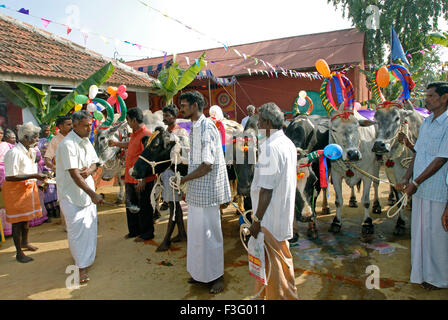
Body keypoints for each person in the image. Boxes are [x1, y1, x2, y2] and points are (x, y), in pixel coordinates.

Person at [396, 82, 448, 290]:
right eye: (426, 96)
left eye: (430, 96)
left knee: (437, 236)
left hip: (438, 190)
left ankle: (440, 279)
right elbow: (418, 153)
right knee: (420, 234)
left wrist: (415, 182)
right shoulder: (427, 123)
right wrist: (407, 178)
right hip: (419, 190)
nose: (426, 99)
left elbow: (441, 159)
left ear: (444, 98)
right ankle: (423, 275)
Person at [179, 91, 231, 294]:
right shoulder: (195, 126)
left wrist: (184, 179)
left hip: (207, 191)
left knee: (210, 235)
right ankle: (200, 274)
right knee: (197, 235)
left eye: (184, 105)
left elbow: (207, 164)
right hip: (197, 192)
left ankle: (217, 276)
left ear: (194, 106)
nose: (181, 109)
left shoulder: (206, 127)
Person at [248, 102, 298, 300]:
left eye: (259, 122)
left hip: (269, 220)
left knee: (275, 270)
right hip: (280, 215)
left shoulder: (270, 148)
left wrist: (256, 221)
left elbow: (266, 191)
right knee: (273, 265)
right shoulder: (287, 143)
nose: (258, 125)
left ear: (267, 123)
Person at [56, 111, 103, 283]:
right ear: (74, 126)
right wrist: (93, 195)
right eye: (85, 125)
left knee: (89, 228)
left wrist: (90, 170)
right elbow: (75, 175)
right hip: (72, 195)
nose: (89, 128)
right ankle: (81, 267)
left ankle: (87, 257)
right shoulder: (67, 144)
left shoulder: (85, 141)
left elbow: (94, 163)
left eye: (90, 125)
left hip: (87, 193)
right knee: (77, 232)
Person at [108, 107, 157, 242]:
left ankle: (147, 234)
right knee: (131, 206)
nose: (128, 123)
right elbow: (129, 145)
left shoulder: (146, 135)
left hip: (141, 180)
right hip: (130, 178)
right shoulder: (135, 134)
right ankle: (134, 231)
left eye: (128, 120)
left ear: (134, 120)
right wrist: (116, 143)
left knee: (144, 208)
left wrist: (143, 179)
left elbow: (150, 159)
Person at [3, 122, 48, 263]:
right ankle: (19, 253)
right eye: (35, 136)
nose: (37, 139)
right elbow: (10, 176)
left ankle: (25, 242)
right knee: (17, 222)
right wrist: (34, 176)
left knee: (26, 219)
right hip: (15, 191)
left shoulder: (29, 150)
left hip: (27, 188)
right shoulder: (14, 153)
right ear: (25, 137)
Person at [156, 104, 189, 252]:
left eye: (168, 115)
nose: (165, 118)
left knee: (174, 206)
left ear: (175, 117)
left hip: (174, 173)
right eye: (164, 115)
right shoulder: (165, 132)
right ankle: (182, 234)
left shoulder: (181, 132)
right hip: (166, 172)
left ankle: (166, 239)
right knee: (173, 204)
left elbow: (185, 155)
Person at [44, 116, 72, 230]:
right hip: (63, 175)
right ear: (60, 126)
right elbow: (47, 158)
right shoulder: (55, 140)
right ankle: (66, 224)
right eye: (68, 124)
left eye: (71, 124)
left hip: (78, 174)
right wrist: (55, 167)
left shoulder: (75, 137)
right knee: (65, 199)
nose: (71, 127)